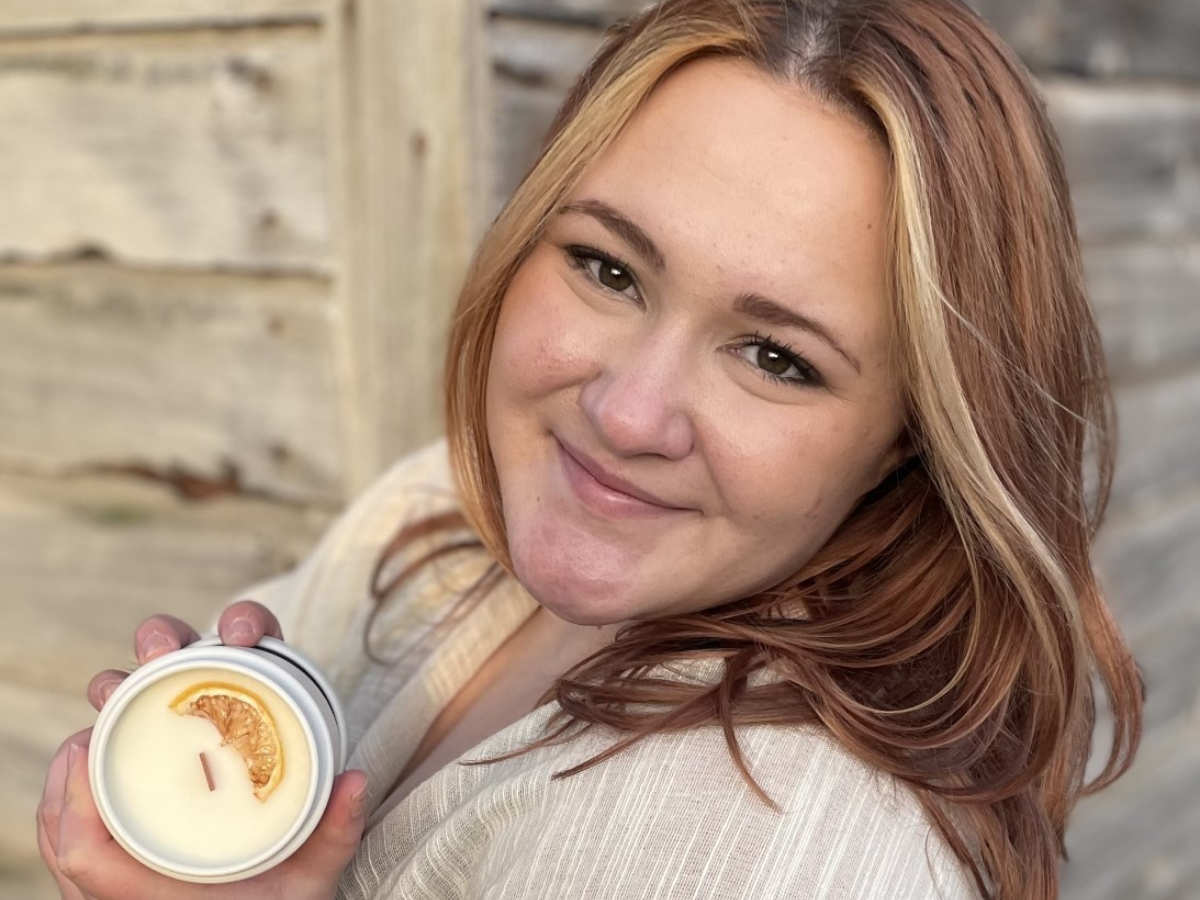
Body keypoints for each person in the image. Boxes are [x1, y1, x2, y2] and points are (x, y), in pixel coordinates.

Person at [36, 0, 1143, 897]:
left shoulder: (751, 846)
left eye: (774, 357)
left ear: (913, 438)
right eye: (608, 270)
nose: (625, 415)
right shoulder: (444, 519)